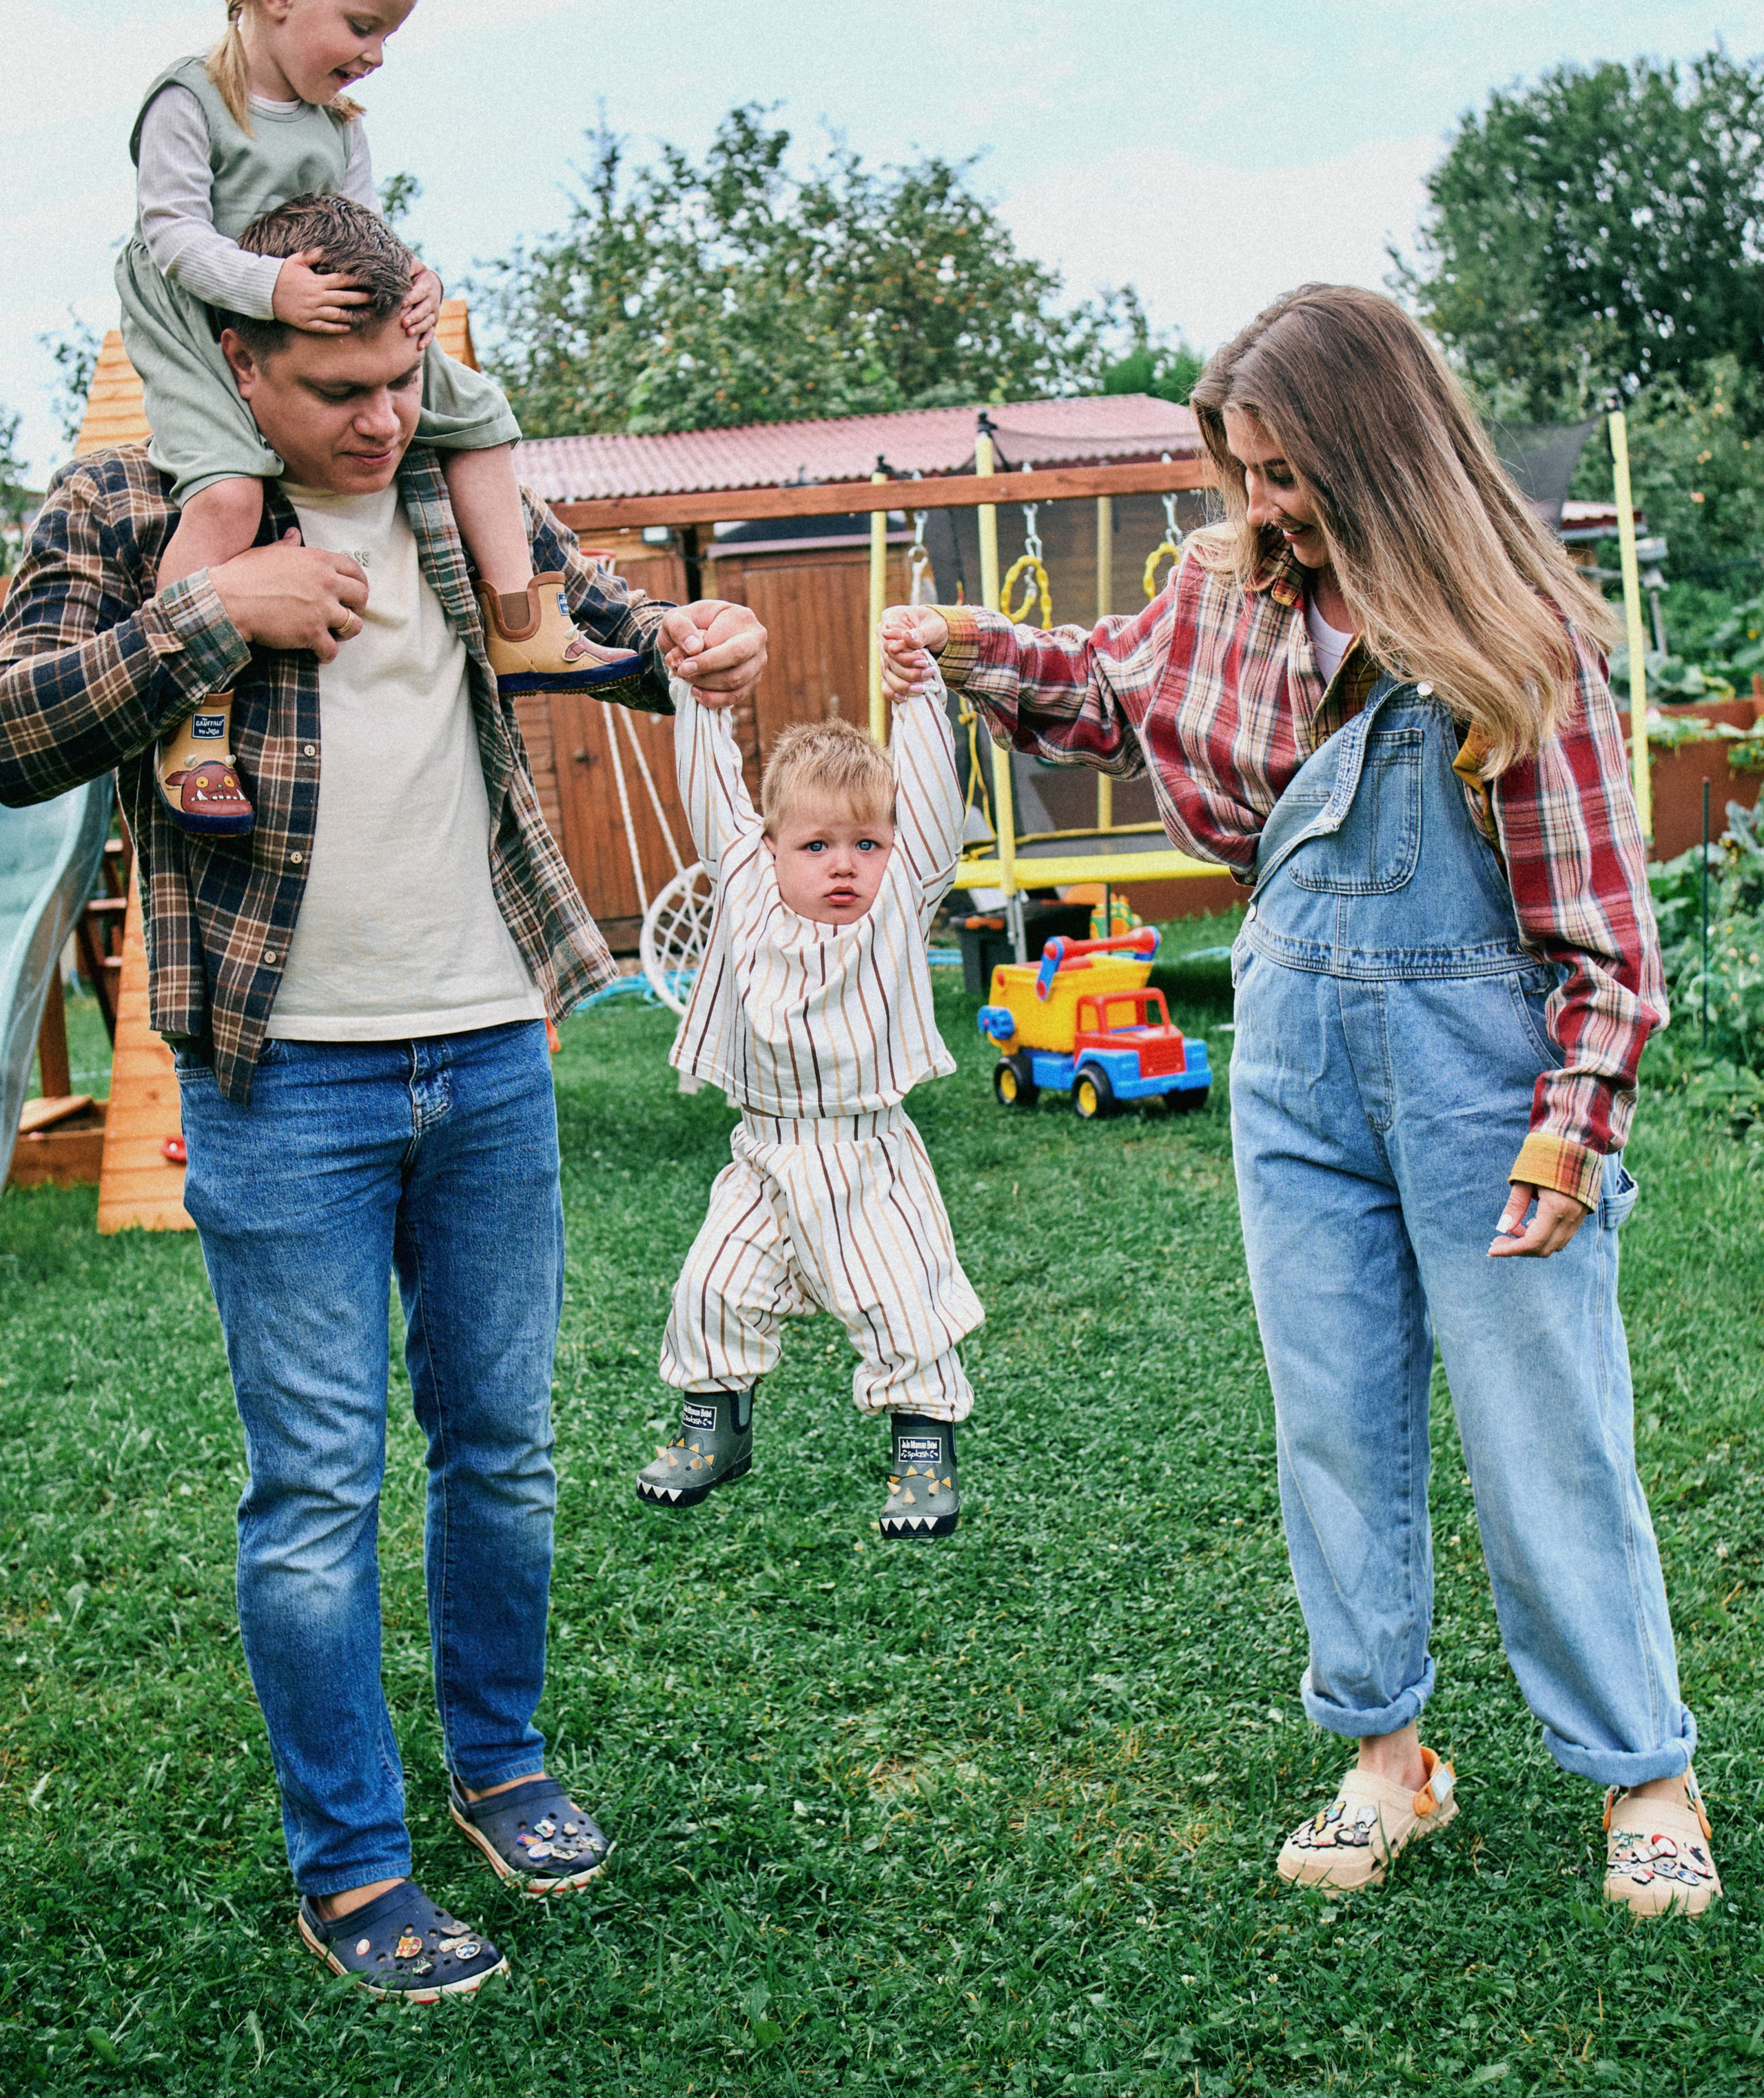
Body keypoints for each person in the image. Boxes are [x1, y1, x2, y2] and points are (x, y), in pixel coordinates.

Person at [0, 192, 768, 1997]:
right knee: (319, 1481)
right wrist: (210, 618)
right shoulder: (128, 503)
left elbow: (583, 612)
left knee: (500, 1450)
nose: (379, 418)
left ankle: (502, 1766)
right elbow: (13, 721)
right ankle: (352, 1866)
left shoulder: (448, 462)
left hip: (493, 1045)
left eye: (401, 377)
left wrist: (687, 645)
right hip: (281, 1079)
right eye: (336, 388)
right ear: (237, 357)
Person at [880, 284, 1719, 1917]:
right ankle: (1383, 1755)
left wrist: (1573, 1117)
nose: (1259, 507)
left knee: (1541, 1430)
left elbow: (1603, 938)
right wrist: (980, 651)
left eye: (1285, 472)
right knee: (1331, 1419)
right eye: (1241, 472)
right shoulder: (1225, 596)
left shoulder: (1509, 636)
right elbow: (1112, 691)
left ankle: (1643, 1768)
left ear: (1377, 450)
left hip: (1483, 1086)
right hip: (1290, 1065)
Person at [119, 0, 601, 839]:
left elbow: (364, 230)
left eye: (388, 36)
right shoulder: (192, 99)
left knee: (479, 415)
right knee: (228, 496)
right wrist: (269, 291)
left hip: (323, 309)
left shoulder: (340, 125)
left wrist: (411, 282)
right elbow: (169, 230)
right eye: (363, 27)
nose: (376, 55)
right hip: (198, 315)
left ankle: (522, 624)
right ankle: (190, 720)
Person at [634, 647, 983, 1537]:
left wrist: (920, 698)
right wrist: (699, 697)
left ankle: (923, 1451)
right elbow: (711, 786)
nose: (844, 865)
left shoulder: (903, 895)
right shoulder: (746, 887)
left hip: (866, 1152)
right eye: (817, 844)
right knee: (711, 1284)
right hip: (763, 1148)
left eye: (866, 843)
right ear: (769, 845)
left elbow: (935, 811)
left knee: (899, 1300)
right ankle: (716, 1427)